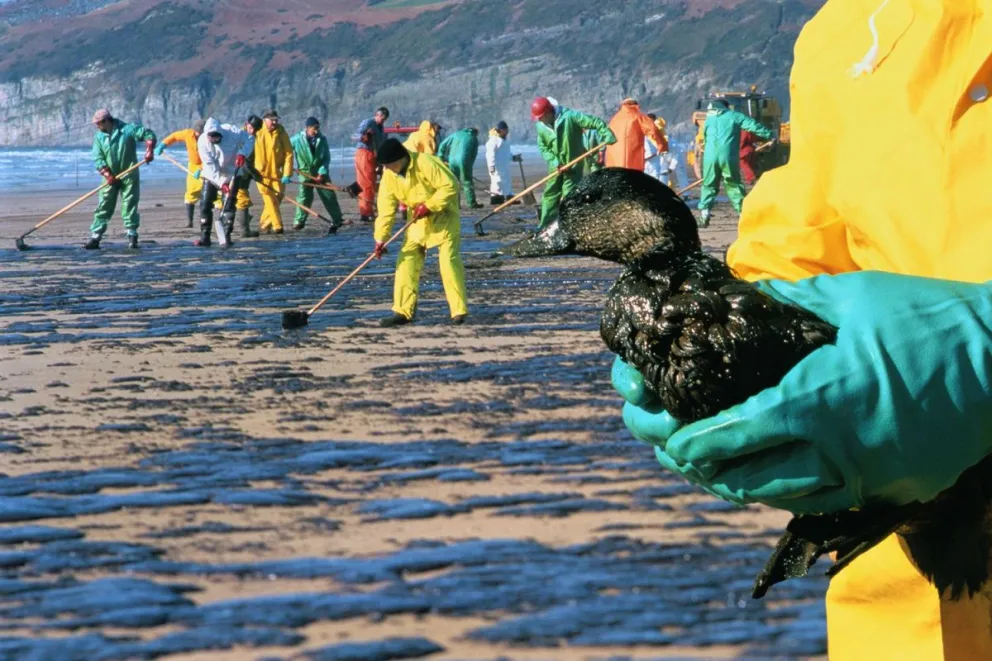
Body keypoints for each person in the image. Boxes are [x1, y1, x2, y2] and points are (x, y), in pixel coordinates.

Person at [611, 3, 992, 659]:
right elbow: (801, 230)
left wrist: (980, 339)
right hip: (901, 600)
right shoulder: (847, 29)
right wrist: (732, 329)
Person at [371, 138, 468, 328]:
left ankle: (459, 311)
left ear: (400, 158)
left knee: (448, 262)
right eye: (385, 166)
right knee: (406, 262)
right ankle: (402, 311)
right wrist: (381, 239)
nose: (388, 169)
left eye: (389, 165)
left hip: (443, 217)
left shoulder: (425, 162)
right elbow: (386, 209)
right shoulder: (389, 176)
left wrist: (430, 206)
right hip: (416, 221)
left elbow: (450, 185)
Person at [532, 96, 615, 228]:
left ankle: (566, 223)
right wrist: (556, 162)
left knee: (569, 195)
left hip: (573, 165)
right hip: (556, 166)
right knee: (550, 194)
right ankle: (545, 224)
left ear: (548, 113)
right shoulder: (541, 126)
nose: (539, 120)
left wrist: (606, 134)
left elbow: (595, 122)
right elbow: (543, 147)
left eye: (540, 117)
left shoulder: (570, 117)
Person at [84, 108, 156, 250]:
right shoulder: (99, 137)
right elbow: (98, 158)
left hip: (128, 174)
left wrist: (149, 150)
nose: (97, 126)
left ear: (106, 121)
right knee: (104, 204)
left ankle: (132, 236)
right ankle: (96, 237)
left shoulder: (128, 129)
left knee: (129, 203)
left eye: (98, 123)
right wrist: (107, 175)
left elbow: (148, 134)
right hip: (109, 176)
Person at [696, 99, 773, 227]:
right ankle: (743, 215)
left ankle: (704, 216)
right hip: (728, 156)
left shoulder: (709, 120)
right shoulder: (734, 116)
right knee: (733, 184)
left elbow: (705, 137)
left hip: (709, 157)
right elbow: (752, 125)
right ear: (726, 107)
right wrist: (769, 134)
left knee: (708, 185)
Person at [193, 117, 254, 247]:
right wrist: (222, 183)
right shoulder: (202, 142)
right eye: (211, 137)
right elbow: (210, 166)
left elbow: (250, 139)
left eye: (216, 136)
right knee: (205, 203)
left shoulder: (233, 132)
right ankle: (205, 236)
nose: (214, 139)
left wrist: (243, 153)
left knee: (229, 205)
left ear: (220, 133)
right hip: (212, 175)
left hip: (233, 172)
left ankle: (226, 235)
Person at [290, 117, 344, 232]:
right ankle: (299, 221)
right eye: (314, 129)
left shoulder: (322, 139)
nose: (316, 131)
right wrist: (287, 166)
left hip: (320, 173)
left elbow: (326, 158)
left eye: (318, 128)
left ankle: (338, 219)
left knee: (329, 195)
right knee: (304, 197)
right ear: (307, 128)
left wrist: (322, 172)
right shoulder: (296, 139)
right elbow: (286, 152)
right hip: (305, 173)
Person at [155, 119, 206, 228]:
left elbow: (213, 157)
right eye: (196, 132)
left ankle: (210, 220)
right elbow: (174, 136)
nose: (197, 135)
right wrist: (163, 144)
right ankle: (189, 221)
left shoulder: (209, 139)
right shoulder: (188, 134)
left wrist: (202, 168)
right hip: (193, 166)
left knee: (212, 194)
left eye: (200, 133)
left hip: (208, 166)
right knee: (191, 192)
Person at [252, 110, 294, 234]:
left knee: (279, 195)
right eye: (272, 120)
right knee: (269, 198)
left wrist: (287, 173)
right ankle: (278, 226)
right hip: (261, 173)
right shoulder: (257, 130)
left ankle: (264, 224)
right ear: (265, 120)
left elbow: (288, 153)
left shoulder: (281, 132)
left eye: (276, 120)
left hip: (276, 172)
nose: (275, 122)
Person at [604, 99, 666, 172]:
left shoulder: (614, 119)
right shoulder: (638, 116)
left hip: (614, 161)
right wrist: (662, 146)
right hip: (631, 159)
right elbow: (653, 130)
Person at [352, 106, 389, 223]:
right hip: (364, 154)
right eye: (381, 117)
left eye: (385, 118)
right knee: (365, 183)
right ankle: (365, 213)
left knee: (371, 184)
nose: (382, 120)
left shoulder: (381, 129)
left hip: (374, 156)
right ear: (376, 115)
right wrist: (364, 137)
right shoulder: (368, 123)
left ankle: (369, 210)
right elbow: (354, 136)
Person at [437, 127, 482, 209]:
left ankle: (455, 204)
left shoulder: (456, 134)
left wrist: (440, 158)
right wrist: (469, 167)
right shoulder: (473, 138)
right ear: (475, 132)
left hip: (452, 160)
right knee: (467, 181)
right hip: (464, 161)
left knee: (454, 182)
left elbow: (442, 144)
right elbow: (473, 154)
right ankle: (471, 203)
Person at [644, 115, 679, 189]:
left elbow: (675, 153)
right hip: (658, 155)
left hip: (659, 154)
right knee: (661, 176)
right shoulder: (650, 130)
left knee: (659, 176)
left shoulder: (656, 128)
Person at [485, 120, 515, 205]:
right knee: (497, 182)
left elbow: (507, 153)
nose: (507, 132)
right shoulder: (493, 141)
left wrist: (514, 157)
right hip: (496, 166)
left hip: (504, 166)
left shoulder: (504, 141)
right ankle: (496, 199)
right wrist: (491, 166)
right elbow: (490, 155)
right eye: (506, 130)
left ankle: (509, 196)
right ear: (501, 130)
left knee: (506, 181)